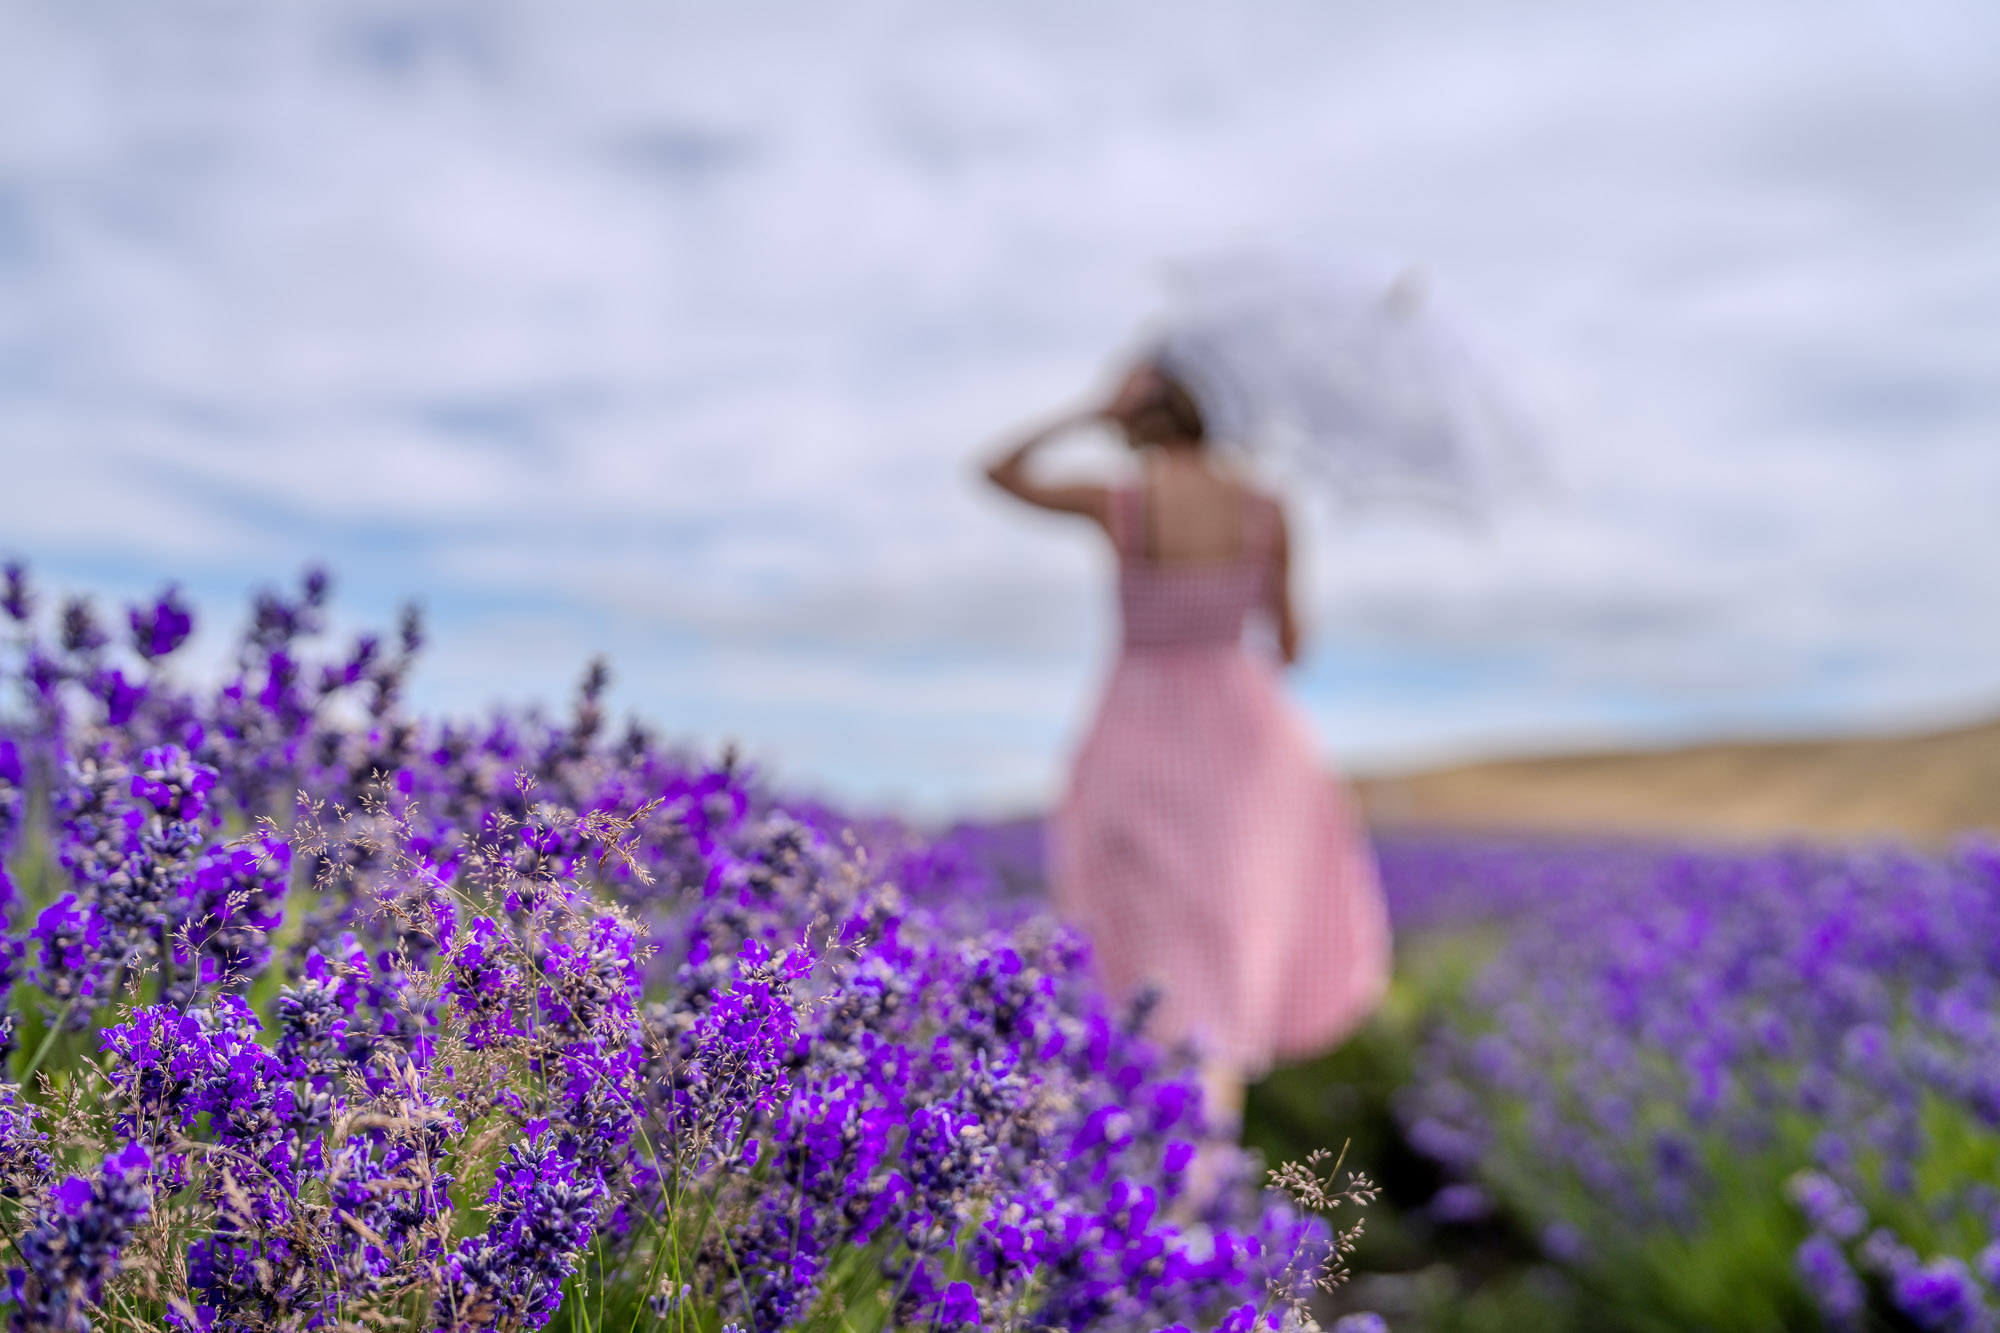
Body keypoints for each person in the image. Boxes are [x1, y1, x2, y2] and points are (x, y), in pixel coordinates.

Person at [983, 362, 1390, 1125]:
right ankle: (1203, 1158)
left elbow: (997, 471)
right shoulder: (1266, 506)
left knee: (1144, 939)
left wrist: (1084, 411)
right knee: (1226, 932)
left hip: (1137, 726)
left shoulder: (1123, 502)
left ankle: (1139, 1158)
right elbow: (1292, 641)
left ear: (1138, 415)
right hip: (1243, 736)